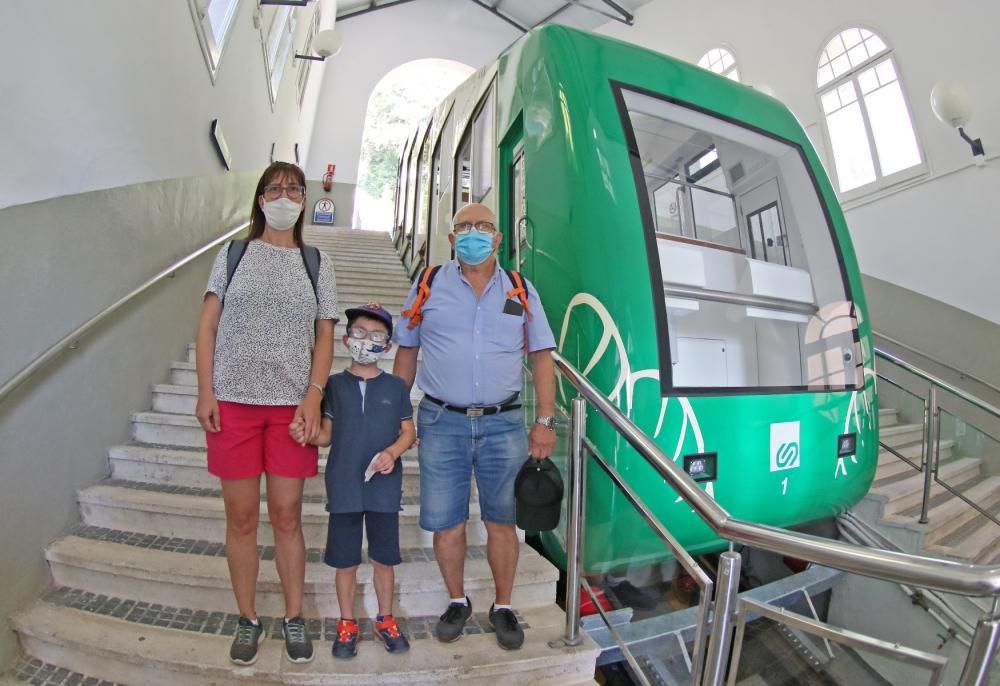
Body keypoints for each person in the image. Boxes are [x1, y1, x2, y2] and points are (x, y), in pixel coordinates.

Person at [392, 202, 558, 651]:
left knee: (503, 523)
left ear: (498, 238)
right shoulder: (428, 283)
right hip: (440, 420)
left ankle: (503, 606)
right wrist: (394, 412)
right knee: (447, 523)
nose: (473, 233)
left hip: (503, 424)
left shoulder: (520, 290)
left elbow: (541, 355)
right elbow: (406, 349)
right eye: (464, 227)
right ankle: (456, 599)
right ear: (451, 239)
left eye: (483, 226)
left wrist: (544, 419)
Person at [194, 161, 339, 666]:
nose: (284, 195)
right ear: (260, 199)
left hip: (290, 411)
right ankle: (247, 617)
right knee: (240, 519)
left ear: (304, 200)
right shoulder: (233, 255)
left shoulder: (316, 262)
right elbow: (208, 326)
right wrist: (205, 390)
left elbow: (326, 333)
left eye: (293, 188)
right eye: (275, 188)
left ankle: (294, 615)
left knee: (286, 516)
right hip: (232, 405)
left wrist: (314, 395)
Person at [290, 302, 417, 660]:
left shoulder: (396, 386)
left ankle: (386, 618)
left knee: (383, 559)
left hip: (383, 489)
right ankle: (347, 622)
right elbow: (326, 434)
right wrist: (307, 432)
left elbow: (408, 432)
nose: (367, 341)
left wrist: (392, 453)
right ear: (346, 339)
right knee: (345, 560)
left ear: (388, 346)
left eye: (377, 336)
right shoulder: (333, 386)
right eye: (359, 333)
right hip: (344, 486)